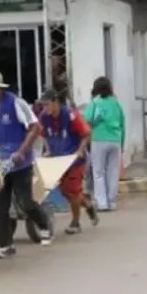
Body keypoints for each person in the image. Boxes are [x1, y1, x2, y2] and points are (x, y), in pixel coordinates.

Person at [0, 69, 51, 258]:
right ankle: (6, 245)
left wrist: (22, 151)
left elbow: (35, 127)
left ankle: (44, 225)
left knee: (25, 202)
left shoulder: (15, 103)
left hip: (19, 162)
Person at [38, 88, 98, 234]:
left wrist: (80, 150)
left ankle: (75, 223)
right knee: (66, 192)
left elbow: (86, 133)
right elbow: (43, 134)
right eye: (43, 106)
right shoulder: (44, 117)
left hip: (74, 160)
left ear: (55, 102)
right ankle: (88, 205)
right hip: (58, 160)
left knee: (71, 191)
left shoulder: (71, 116)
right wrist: (48, 150)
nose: (45, 109)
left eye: (47, 105)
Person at [84, 76, 126, 212]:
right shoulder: (116, 103)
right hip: (116, 140)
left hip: (99, 139)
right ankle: (112, 201)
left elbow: (86, 120)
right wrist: (122, 143)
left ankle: (102, 203)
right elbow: (122, 123)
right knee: (113, 172)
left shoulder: (95, 103)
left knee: (98, 172)